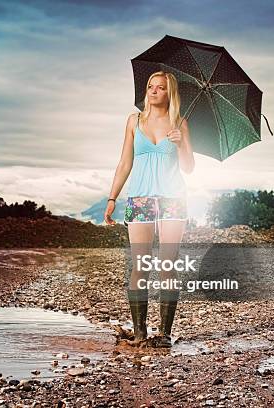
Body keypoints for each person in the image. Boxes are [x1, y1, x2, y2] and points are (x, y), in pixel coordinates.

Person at [104, 71, 195, 347]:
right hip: (140, 199)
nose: (154, 91)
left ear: (171, 94)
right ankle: (140, 332)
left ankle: (165, 335)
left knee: (168, 264)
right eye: (151, 87)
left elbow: (189, 168)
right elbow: (124, 164)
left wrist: (181, 145)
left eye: (161, 88)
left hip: (172, 200)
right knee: (140, 265)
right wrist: (112, 198)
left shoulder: (180, 122)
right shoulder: (134, 121)